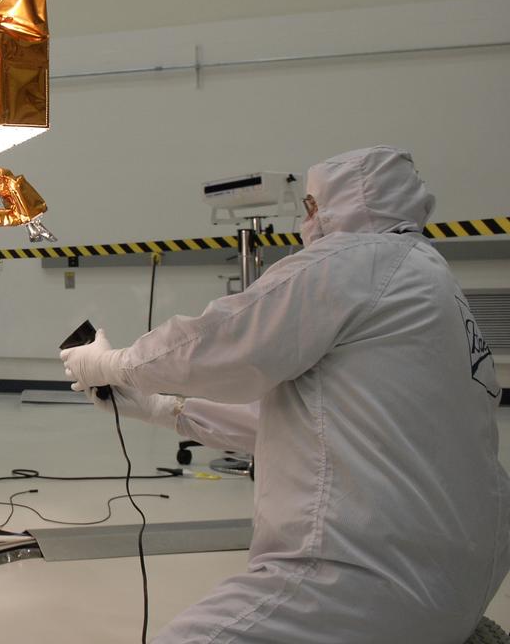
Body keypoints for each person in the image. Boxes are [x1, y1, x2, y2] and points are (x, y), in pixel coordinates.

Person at [60, 146, 510, 643]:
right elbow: (313, 424)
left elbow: (221, 342)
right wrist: (164, 409)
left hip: (362, 575)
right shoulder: (429, 280)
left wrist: (111, 363)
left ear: (349, 203)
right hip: (458, 576)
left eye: (313, 206)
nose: (305, 221)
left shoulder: (359, 258)